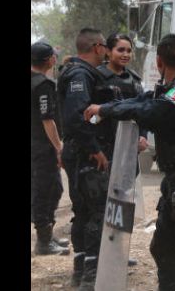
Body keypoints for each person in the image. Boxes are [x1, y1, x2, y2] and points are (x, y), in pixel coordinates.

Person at [83, 34, 175, 291]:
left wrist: (107, 110)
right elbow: (145, 101)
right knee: (162, 247)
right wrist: (105, 108)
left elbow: (155, 111)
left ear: (159, 62)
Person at [57, 28, 110, 290]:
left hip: (77, 151)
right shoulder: (80, 74)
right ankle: (90, 275)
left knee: (83, 211)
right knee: (95, 212)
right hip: (85, 153)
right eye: (105, 46)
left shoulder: (78, 72)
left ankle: (81, 270)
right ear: (97, 47)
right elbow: (77, 117)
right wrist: (95, 149)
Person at [31, 42, 70, 256]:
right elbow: (47, 120)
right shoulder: (43, 85)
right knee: (46, 190)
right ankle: (44, 242)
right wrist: (58, 147)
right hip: (43, 147)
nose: (56, 58)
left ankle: (47, 235)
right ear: (49, 60)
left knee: (49, 188)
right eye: (54, 56)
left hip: (35, 145)